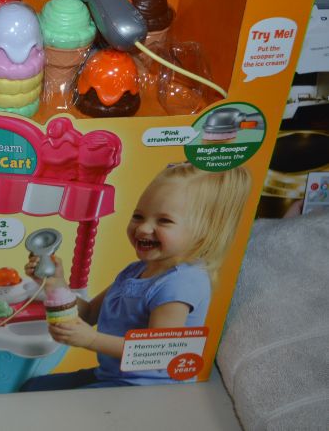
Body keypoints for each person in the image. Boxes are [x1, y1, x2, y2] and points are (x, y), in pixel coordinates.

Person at [22, 163, 251, 390]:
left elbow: (157, 352)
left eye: (164, 221)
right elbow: (90, 313)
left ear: (205, 231)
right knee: (34, 388)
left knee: (54, 404)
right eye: (138, 216)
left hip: (150, 389)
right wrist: (55, 284)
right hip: (113, 375)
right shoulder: (135, 271)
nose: (143, 229)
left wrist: (91, 340)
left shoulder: (181, 283)